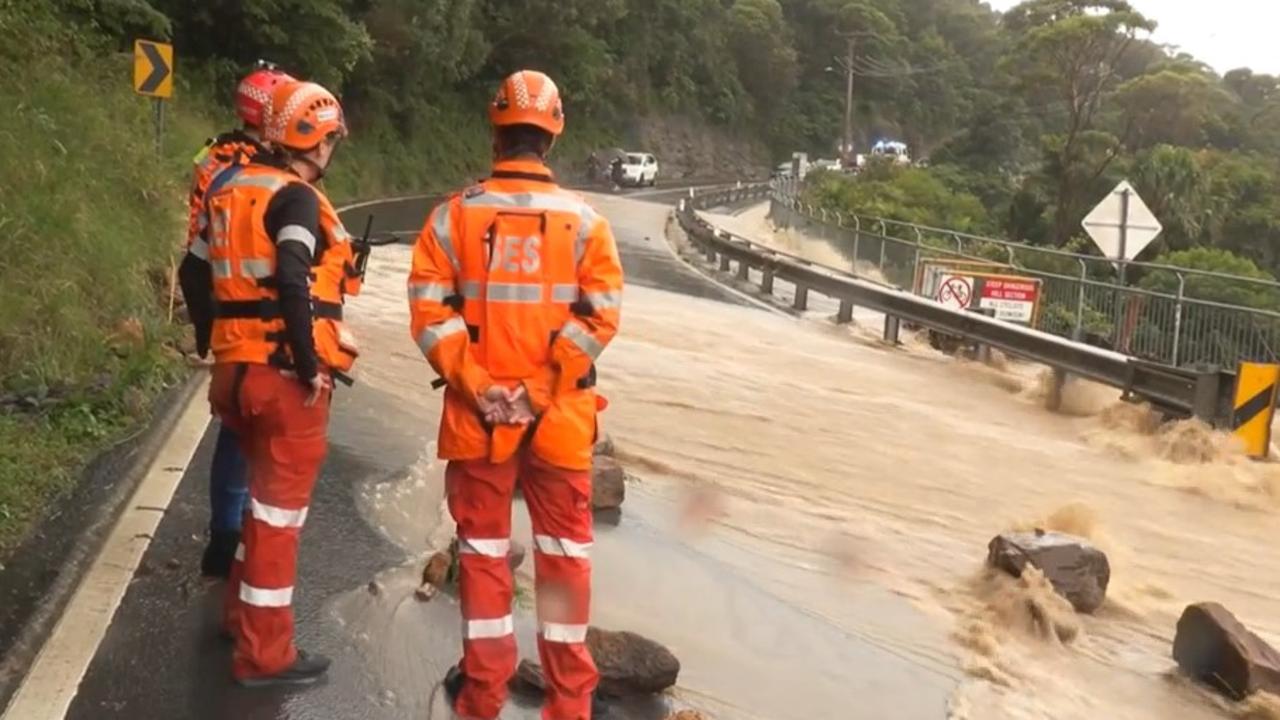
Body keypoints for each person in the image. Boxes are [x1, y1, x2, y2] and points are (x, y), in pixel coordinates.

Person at [407, 69, 624, 720]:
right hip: (558, 421)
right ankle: (568, 705)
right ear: (552, 135)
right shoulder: (587, 224)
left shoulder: (453, 216)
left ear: (496, 131)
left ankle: (482, 695)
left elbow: (428, 310)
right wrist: (537, 390)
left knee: (481, 557)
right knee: (563, 565)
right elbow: (601, 316)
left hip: (478, 421)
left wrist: (480, 386)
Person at [178, 79, 353, 687]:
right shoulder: (295, 198)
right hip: (281, 381)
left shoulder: (228, 188)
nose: (332, 150)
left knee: (257, 508)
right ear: (316, 140)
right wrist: (308, 366)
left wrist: (217, 344)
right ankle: (265, 655)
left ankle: (239, 617)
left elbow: (193, 272)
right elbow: (293, 281)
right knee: (279, 522)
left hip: (234, 375)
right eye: (331, 139)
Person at [184, 61, 295, 578]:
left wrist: (205, 329)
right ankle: (253, 542)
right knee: (269, 434)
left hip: (216, 294)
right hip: (264, 318)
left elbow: (196, 249)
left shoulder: (212, 156)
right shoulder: (276, 177)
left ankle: (223, 533)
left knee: (232, 429)